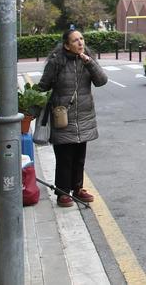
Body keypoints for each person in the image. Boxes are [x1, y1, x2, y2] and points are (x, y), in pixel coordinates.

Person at [36, 29, 108, 208]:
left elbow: (101, 81)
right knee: (64, 157)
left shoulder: (87, 60)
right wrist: (30, 108)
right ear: (67, 45)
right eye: (75, 40)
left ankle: (78, 188)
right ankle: (62, 192)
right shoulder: (56, 62)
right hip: (62, 116)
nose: (80, 43)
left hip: (83, 116)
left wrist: (89, 62)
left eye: (81, 39)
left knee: (79, 156)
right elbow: (43, 86)